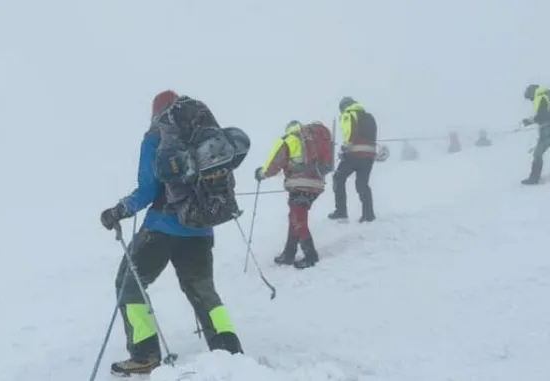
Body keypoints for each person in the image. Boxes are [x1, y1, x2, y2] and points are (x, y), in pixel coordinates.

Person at [99, 90, 244, 376]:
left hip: (163, 229)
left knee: (129, 284)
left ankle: (144, 353)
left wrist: (117, 211)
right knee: (202, 289)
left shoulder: (157, 137)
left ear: (157, 113)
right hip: (201, 229)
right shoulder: (206, 139)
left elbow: (148, 190)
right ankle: (229, 349)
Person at [255, 120, 328, 269]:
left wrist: (261, 174)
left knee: (297, 220)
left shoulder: (289, 139)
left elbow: (274, 164)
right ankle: (289, 254)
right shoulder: (312, 140)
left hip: (300, 184)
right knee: (295, 217)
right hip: (317, 184)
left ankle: (310, 256)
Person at [328, 97, 377, 222]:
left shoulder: (349, 114)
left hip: (354, 154)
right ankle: (368, 214)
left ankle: (341, 211)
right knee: (362, 184)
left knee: (338, 178)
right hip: (369, 155)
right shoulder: (369, 117)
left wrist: (345, 147)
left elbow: (350, 132)